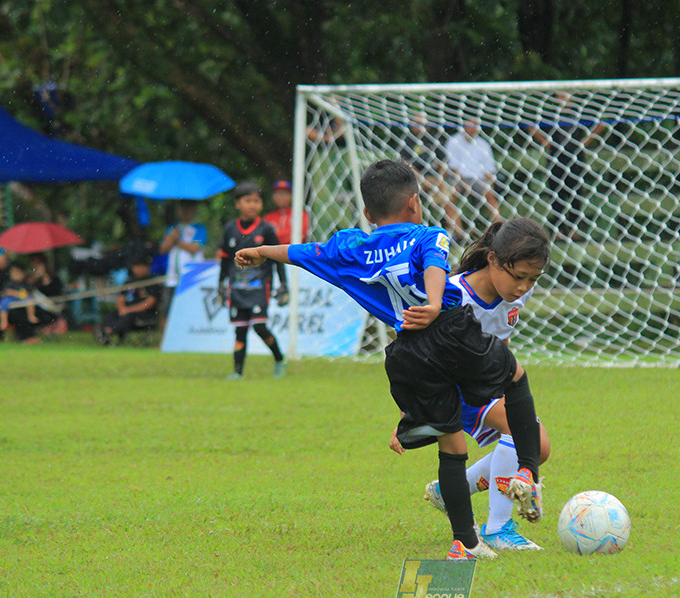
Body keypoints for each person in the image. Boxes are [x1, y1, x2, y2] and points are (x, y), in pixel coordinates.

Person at [234, 159, 544, 560]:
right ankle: (527, 474)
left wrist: (261, 251)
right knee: (516, 379)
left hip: (406, 352)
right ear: (415, 202)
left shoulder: (351, 248)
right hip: (448, 330)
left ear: (367, 213)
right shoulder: (428, 235)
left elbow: (304, 252)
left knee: (451, 447)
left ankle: (464, 543)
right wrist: (434, 305)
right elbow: (434, 268)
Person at [389, 218, 553, 551]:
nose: (523, 287)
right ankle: (498, 528)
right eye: (519, 277)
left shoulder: (517, 292)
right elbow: (415, 357)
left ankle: (454, 489)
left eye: (533, 279)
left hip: (485, 383)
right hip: (453, 390)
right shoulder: (452, 295)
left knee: (539, 448)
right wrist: (410, 412)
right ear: (493, 260)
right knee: (519, 433)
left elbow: (498, 345)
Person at [218, 182, 288, 379]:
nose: (252, 205)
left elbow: (279, 257)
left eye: (256, 201)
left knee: (259, 326)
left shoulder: (266, 229)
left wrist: (284, 285)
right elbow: (224, 260)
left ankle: (279, 358)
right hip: (237, 288)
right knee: (240, 330)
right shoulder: (230, 229)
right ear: (237, 204)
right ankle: (237, 372)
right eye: (247, 201)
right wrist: (220, 286)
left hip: (260, 287)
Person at [530, 92, 606, 242]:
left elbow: (601, 123)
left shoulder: (580, 112)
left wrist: (585, 142)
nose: (563, 99)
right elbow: (530, 125)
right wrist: (546, 143)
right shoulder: (550, 114)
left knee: (575, 192)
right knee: (557, 192)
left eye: (565, 95)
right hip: (556, 156)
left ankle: (573, 229)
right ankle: (559, 229)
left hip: (575, 156)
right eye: (559, 96)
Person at [399, 114, 459, 241]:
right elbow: (407, 165)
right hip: (416, 181)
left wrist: (440, 178)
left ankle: (456, 233)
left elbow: (443, 162)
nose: (420, 127)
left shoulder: (432, 139)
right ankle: (414, 234)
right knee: (414, 197)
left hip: (437, 180)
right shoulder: (408, 141)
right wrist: (423, 180)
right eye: (417, 123)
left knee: (449, 197)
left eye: (422, 124)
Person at [444, 118, 501, 240]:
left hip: (478, 179)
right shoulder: (454, 142)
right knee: (449, 197)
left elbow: (489, 171)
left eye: (474, 126)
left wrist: (490, 185)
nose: (471, 129)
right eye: (469, 126)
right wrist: (464, 183)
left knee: (490, 194)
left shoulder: (483, 144)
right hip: (459, 178)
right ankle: (459, 234)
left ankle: (498, 230)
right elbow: (453, 167)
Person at [159, 200, 207, 329]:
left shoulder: (198, 228)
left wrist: (177, 241)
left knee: (190, 309)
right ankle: (164, 342)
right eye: (183, 208)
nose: (185, 212)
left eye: (189, 209)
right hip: (172, 277)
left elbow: (195, 248)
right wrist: (171, 237)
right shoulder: (172, 228)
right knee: (167, 309)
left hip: (191, 277)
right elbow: (163, 249)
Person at [96, 255, 160, 345]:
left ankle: (109, 332)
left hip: (143, 313)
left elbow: (150, 303)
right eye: (136, 266)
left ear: (148, 267)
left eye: (142, 266)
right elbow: (121, 298)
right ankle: (105, 330)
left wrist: (129, 310)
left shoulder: (152, 282)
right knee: (112, 314)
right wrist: (122, 308)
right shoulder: (129, 282)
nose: (139, 269)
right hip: (127, 310)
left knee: (129, 316)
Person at [0, 260, 39, 340]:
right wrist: (16, 294)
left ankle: (31, 315)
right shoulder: (9, 283)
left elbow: (27, 293)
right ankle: (3, 321)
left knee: (30, 301)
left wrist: (20, 295)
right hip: (10, 300)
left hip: (22, 301)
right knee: (3, 303)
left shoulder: (25, 284)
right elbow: (6, 292)